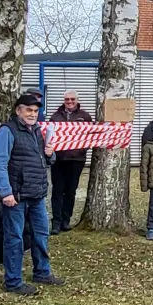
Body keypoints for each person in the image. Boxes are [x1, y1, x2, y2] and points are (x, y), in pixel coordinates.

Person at [0, 92, 64, 295]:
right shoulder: (7, 131)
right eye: (28, 110)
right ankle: (13, 281)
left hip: (37, 194)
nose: (33, 114)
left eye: (35, 110)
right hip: (16, 196)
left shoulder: (37, 131)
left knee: (41, 234)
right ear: (18, 110)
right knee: (14, 239)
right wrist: (5, 192)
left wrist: (50, 155)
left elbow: (44, 160)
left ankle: (42, 271)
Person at [47, 90, 93, 234]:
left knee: (71, 191)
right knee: (57, 191)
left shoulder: (84, 116)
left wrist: (83, 150)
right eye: (67, 99)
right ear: (64, 100)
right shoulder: (55, 117)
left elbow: (91, 136)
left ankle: (66, 220)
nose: (70, 102)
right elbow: (48, 136)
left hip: (76, 159)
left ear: (77, 100)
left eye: (72, 99)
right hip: (59, 160)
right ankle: (56, 222)